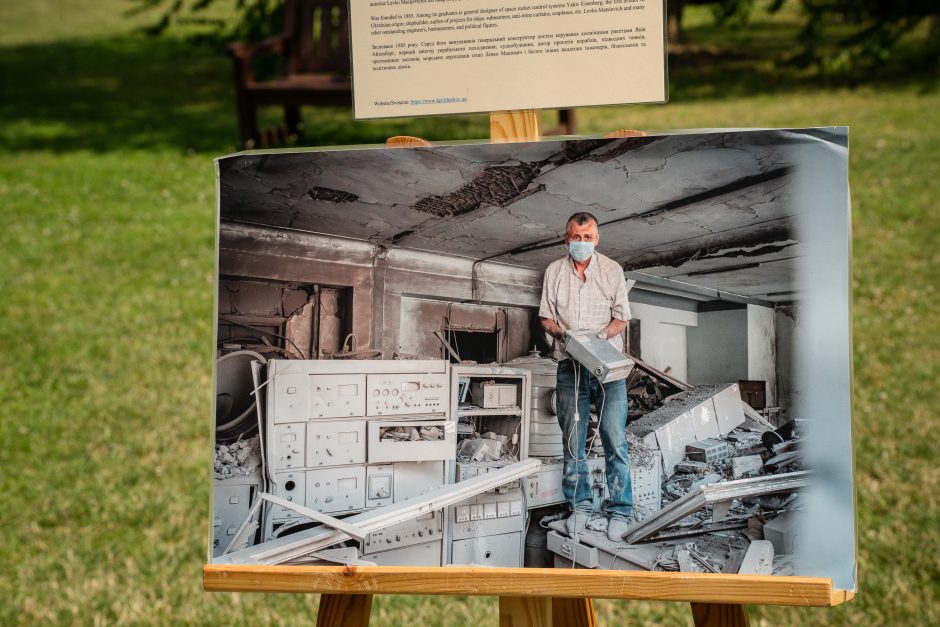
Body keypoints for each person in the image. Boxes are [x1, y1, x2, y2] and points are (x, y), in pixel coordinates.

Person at [538, 211, 634, 543]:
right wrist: (566, 337)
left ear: (597, 238)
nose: (582, 243)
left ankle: (620, 510)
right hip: (570, 366)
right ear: (566, 238)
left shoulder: (612, 271)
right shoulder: (554, 271)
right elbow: (546, 318)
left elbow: (621, 318)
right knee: (573, 442)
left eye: (587, 237)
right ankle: (580, 508)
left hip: (607, 367)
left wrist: (598, 341)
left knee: (614, 440)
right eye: (575, 238)